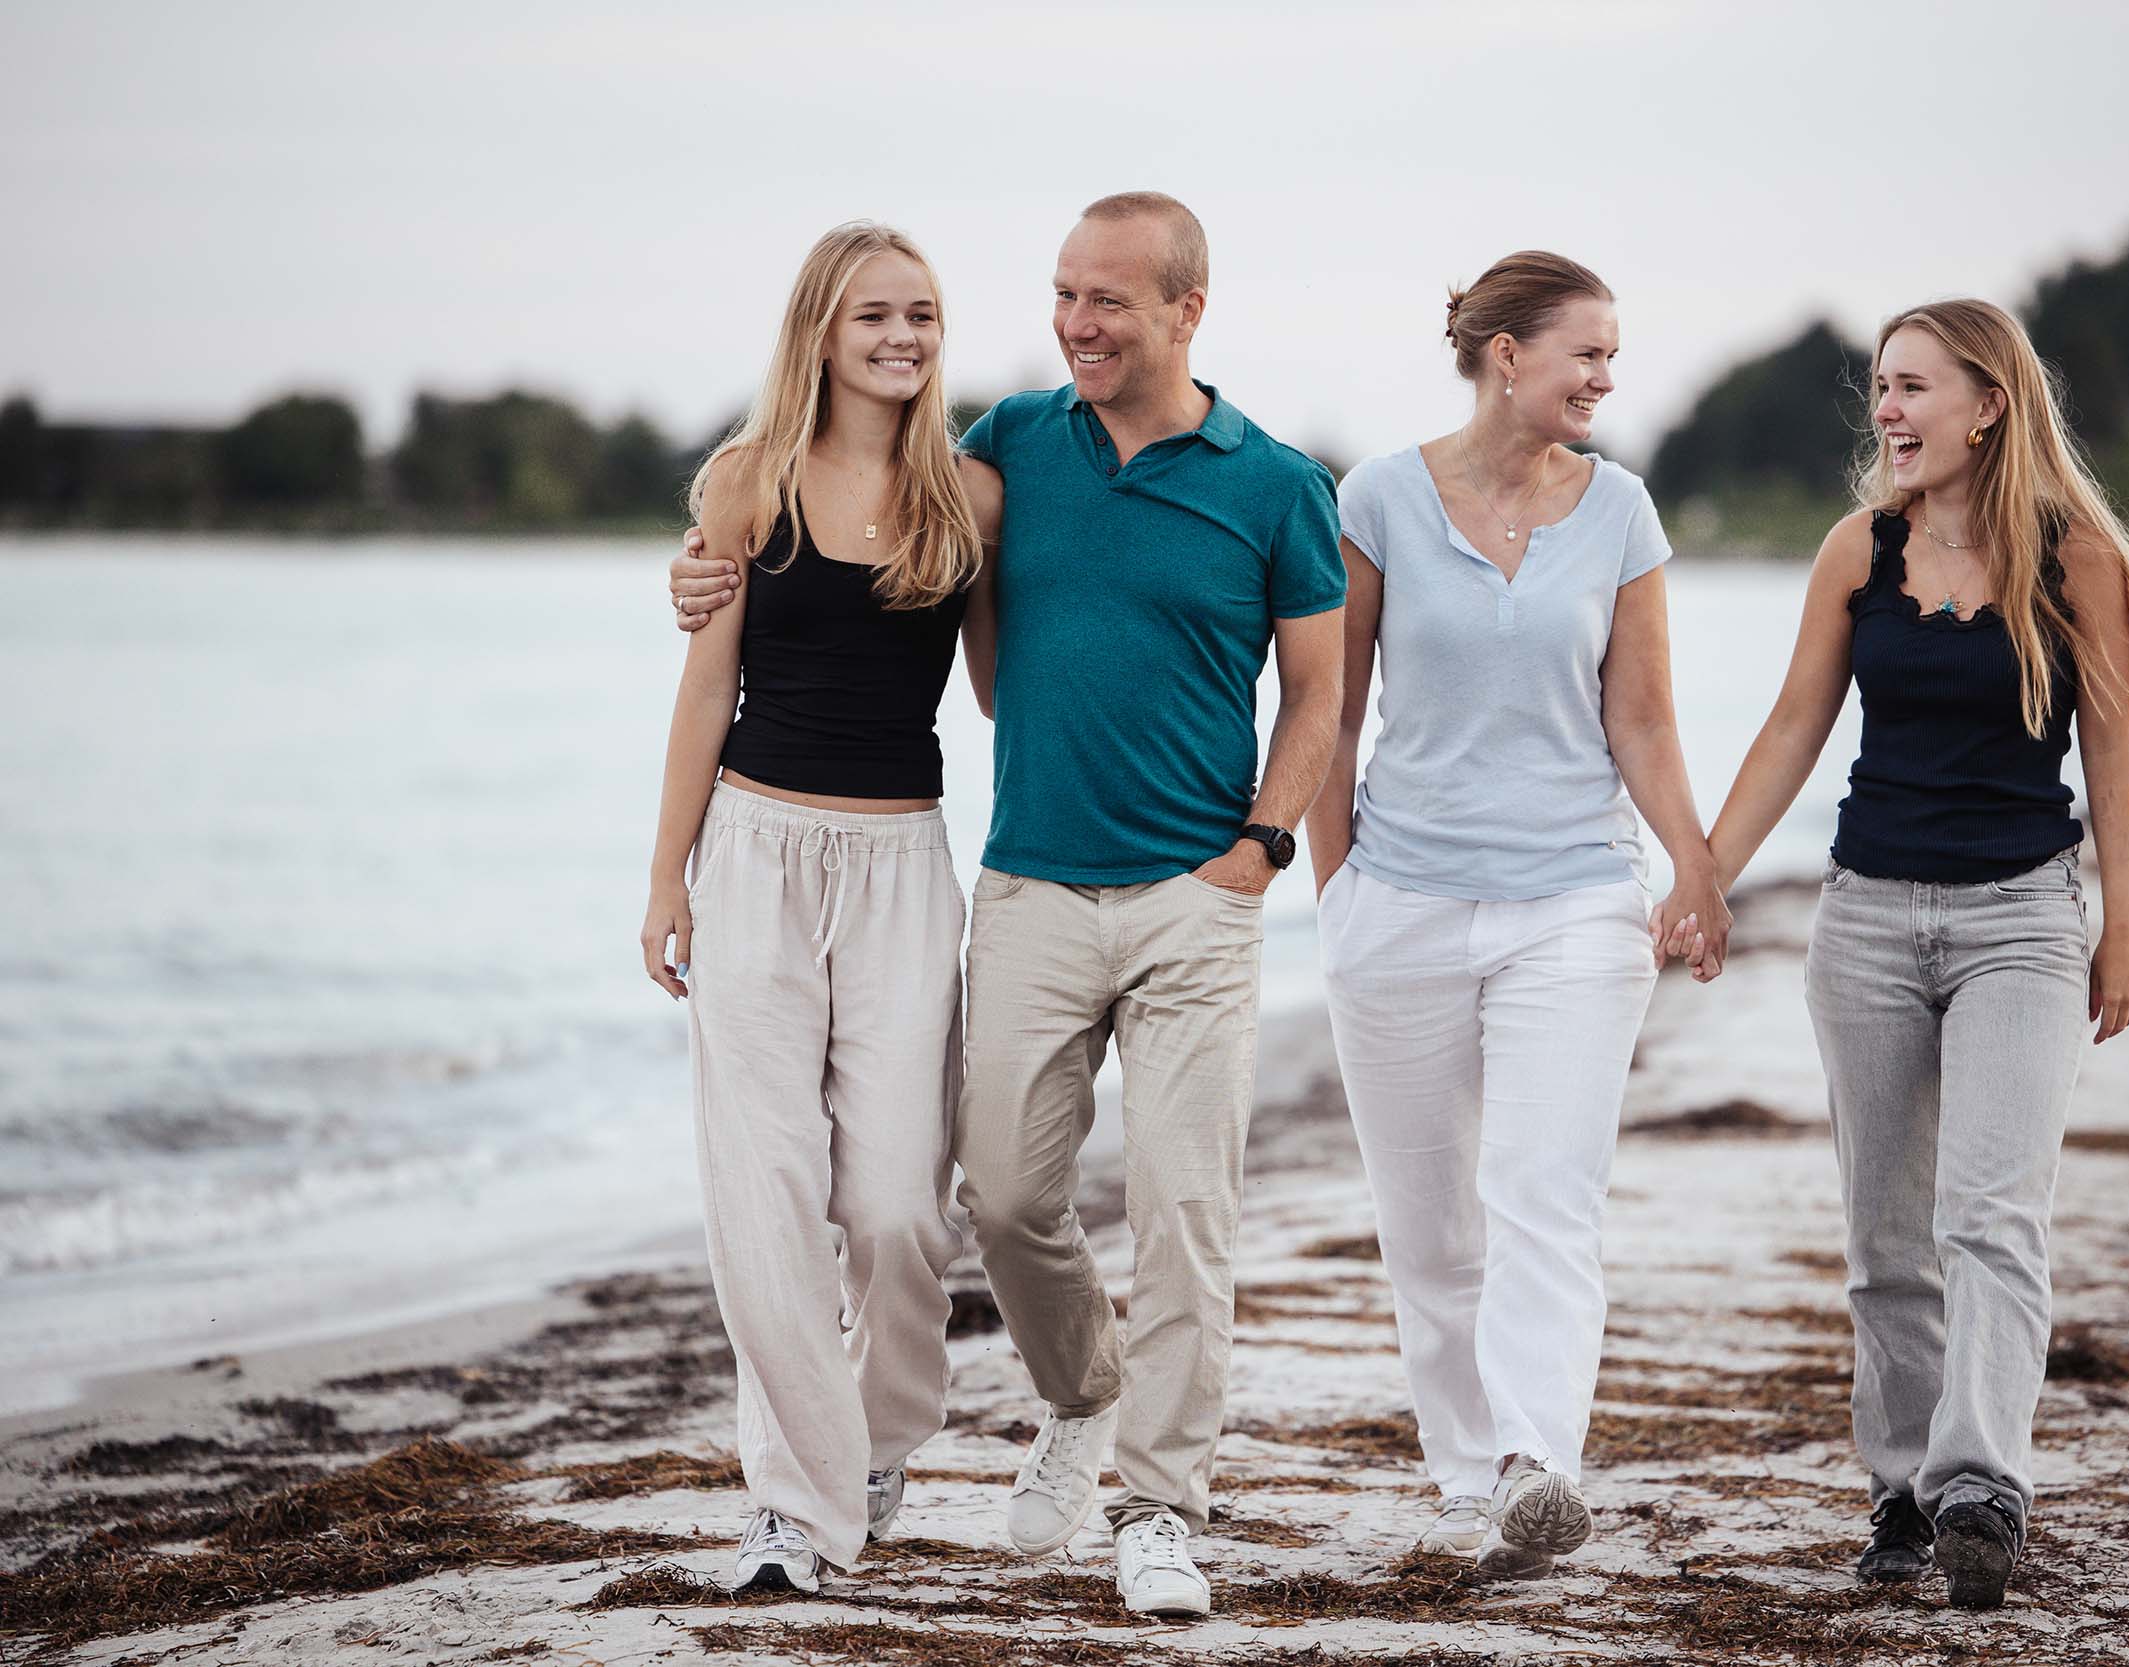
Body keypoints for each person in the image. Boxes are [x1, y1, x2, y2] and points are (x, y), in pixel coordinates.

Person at [671, 192, 1346, 1621]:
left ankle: (1158, 1509)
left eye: (1110, 301)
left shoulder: (1242, 483)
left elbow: (1324, 690)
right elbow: (790, 627)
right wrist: (690, 591)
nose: (1079, 324)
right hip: (1011, 875)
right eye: (1063, 296)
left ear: (1186, 311)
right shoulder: (1006, 451)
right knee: (995, 1189)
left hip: (1152, 889)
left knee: (1153, 1206)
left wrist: (1265, 846)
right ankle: (991, 1425)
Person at [1699, 298, 2129, 1610]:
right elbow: (1793, 727)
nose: (1887, 412)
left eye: (1912, 388)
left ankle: (1982, 1487)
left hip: (2021, 919)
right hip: (1869, 923)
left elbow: (2111, 751)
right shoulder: (1859, 551)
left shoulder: (2079, 564)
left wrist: (2125, 924)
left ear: (1990, 404)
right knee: (1887, 1239)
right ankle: (1902, 1490)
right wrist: (1703, 876)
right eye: (1880, 390)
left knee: (1991, 1218)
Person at [1305, 252, 1730, 1579]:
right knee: (1431, 1222)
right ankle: (1459, 1477)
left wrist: (1696, 869)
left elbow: (1644, 719)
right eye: (1586, 354)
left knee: (1544, 1197)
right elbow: (1327, 707)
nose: (1607, 378)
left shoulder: (1623, 513)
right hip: (1403, 901)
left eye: (1613, 357)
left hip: (1576, 905)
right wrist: (1336, 897)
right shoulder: (1375, 497)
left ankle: (1537, 1463)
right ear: (1502, 353)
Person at [639, 221, 1002, 1594]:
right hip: (755, 857)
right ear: (820, 335)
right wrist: (665, 874)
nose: (901, 338)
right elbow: (703, 694)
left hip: (905, 867)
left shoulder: (972, 496)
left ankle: (881, 1432)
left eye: (921, 314)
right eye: (873, 318)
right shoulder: (746, 483)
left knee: (900, 1202)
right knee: (767, 1197)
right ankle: (793, 1505)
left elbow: (1001, 688)